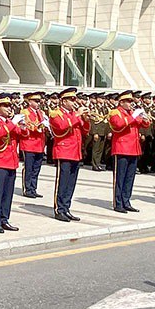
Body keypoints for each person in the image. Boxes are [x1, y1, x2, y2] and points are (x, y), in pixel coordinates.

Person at [0, 93, 26, 233]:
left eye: (10, 106)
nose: (9, 109)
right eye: (5, 106)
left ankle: (5, 218)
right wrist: (13, 123)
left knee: (8, 193)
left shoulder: (10, 122)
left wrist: (23, 126)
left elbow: (23, 135)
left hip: (11, 161)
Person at [49, 88, 90, 221]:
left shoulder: (73, 114)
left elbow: (84, 131)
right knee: (62, 182)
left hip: (75, 152)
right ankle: (59, 209)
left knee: (71, 183)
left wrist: (86, 119)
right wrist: (77, 115)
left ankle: (66, 208)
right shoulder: (56, 114)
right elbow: (61, 127)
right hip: (64, 151)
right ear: (64, 101)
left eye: (74, 99)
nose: (74, 102)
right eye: (71, 100)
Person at [109, 91, 150, 213]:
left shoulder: (132, 113)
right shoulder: (115, 112)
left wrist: (144, 116)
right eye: (128, 101)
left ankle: (126, 201)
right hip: (121, 148)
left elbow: (145, 125)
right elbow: (118, 125)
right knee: (120, 177)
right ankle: (118, 203)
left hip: (133, 149)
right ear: (121, 102)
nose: (131, 104)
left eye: (132, 101)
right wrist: (133, 117)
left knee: (129, 178)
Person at [19, 91, 48, 199]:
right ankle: (27, 188)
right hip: (29, 143)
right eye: (36, 101)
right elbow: (28, 125)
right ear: (29, 101)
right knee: (29, 167)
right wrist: (39, 126)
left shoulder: (40, 112)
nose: (38, 103)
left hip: (39, 143)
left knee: (36, 168)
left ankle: (33, 188)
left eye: (39, 101)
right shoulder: (25, 112)